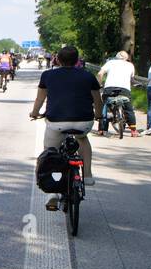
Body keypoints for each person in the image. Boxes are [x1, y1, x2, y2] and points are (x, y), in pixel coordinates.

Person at [30, 45, 102, 209]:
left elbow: (40, 99)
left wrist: (34, 113)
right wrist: (98, 115)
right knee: (82, 140)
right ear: (77, 60)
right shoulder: (88, 76)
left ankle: (53, 192)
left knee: (51, 151)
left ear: (57, 60)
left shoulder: (48, 75)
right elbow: (98, 100)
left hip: (57, 123)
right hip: (84, 122)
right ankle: (88, 175)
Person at [95, 51, 138, 137]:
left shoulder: (110, 62)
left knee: (105, 107)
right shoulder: (130, 65)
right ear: (126, 58)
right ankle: (133, 131)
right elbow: (132, 79)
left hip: (109, 88)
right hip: (124, 89)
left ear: (116, 57)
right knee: (129, 109)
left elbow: (100, 73)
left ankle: (102, 129)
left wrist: (99, 84)